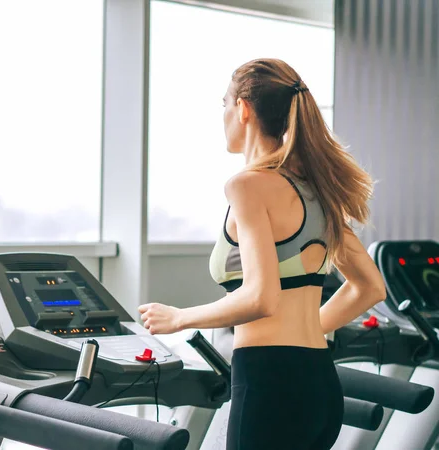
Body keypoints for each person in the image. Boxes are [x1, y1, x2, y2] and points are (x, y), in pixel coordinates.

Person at [138, 58, 387, 450]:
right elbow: (370, 287)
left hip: (269, 383)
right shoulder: (317, 189)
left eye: (224, 104)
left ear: (244, 108)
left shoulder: (248, 186)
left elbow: (260, 297)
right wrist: (304, 328)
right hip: (320, 381)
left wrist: (179, 318)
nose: (222, 115)